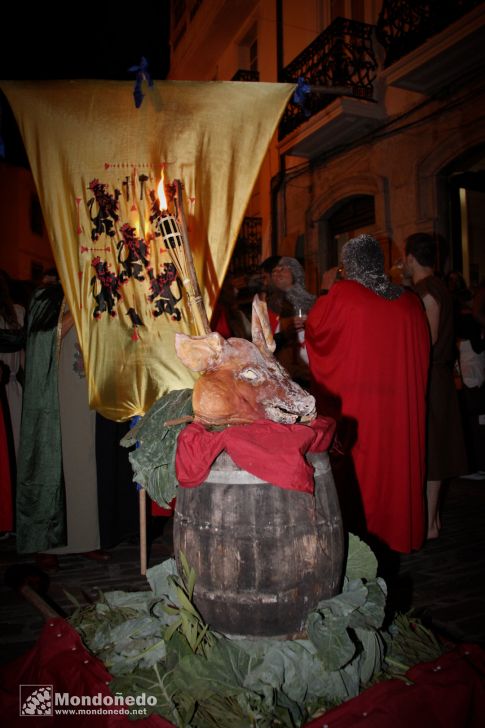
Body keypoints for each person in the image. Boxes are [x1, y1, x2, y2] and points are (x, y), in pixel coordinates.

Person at [306, 234, 430, 555]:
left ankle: (365, 545)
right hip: (400, 408)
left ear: (350, 266)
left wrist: (327, 287)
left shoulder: (345, 296)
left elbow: (317, 330)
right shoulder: (410, 301)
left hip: (363, 409)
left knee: (364, 478)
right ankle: (399, 534)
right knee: (397, 467)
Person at [16, 277, 108, 568]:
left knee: (86, 464)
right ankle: (49, 545)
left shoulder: (93, 287)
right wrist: (79, 311)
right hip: (56, 393)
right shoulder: (48, 294)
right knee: (58, 462)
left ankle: (85, 540)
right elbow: (42, 338)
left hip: (88, 390)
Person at [404, 233, 468, 539]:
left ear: (410, 257)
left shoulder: (426, 290)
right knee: (434, 449)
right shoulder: (435, 286)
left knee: (433, 451)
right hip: (436, 376)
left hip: (430, 377)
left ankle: (429, 523)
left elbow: (425, 342)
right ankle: (432, 520)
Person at [266, 256, 316, 387]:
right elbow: (264, 343)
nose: (277, 272)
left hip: (308, 372)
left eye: (283, 269)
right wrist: (284, 335)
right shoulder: (268, 305)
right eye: (275, 270)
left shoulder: (312, 302)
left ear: (296, 273)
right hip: (282, 375)